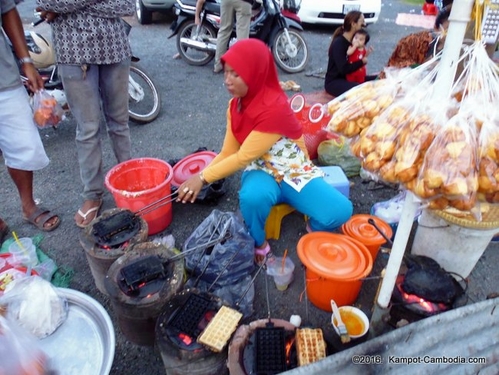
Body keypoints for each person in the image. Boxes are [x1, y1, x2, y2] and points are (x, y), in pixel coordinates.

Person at [176, 39, 353, 263]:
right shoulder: (235, 106)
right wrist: (199, 177)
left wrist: (202, 178)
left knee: (341, 211)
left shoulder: (274, 108)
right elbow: (229, 152)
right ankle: (259, 244)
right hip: (260, 169)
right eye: (226, 72)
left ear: (255, 74)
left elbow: (242, 157)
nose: (227, 80)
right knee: (251, 198)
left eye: (236, 74)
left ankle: (312, 226)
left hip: (292, 169)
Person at [36, 0, 134, 228]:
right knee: (88, 130)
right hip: (74, 51)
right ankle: (93, 194)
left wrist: (64, 8)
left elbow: (126, 5)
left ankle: (129, 181)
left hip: (115, 47)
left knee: (119, 123)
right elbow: (45, 2)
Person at [0, 0, 61, 243]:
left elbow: (7, 10)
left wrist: (27, 62)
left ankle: (28, 205)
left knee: (23, 144)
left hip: (3, 77)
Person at [380, 7, 451, 77]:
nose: (452, 33)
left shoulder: (458, 49)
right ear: (436, 27)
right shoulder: (415, 42)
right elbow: (396, 66)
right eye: (448, 28)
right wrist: (426, 67)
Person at [324, 11, 373, 97]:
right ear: (353, 24)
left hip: (350, 77)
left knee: (378, 79)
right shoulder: (339, 43)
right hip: (334, 82)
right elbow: (344, 69)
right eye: (362, 22)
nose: (364, 24)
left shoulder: (354, 42)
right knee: (361, 90)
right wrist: (361, 62)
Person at [213, 0, 252, 74]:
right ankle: (241, 69)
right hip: (244, 2)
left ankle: (218, 65)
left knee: (224, 30)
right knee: (242, 35)